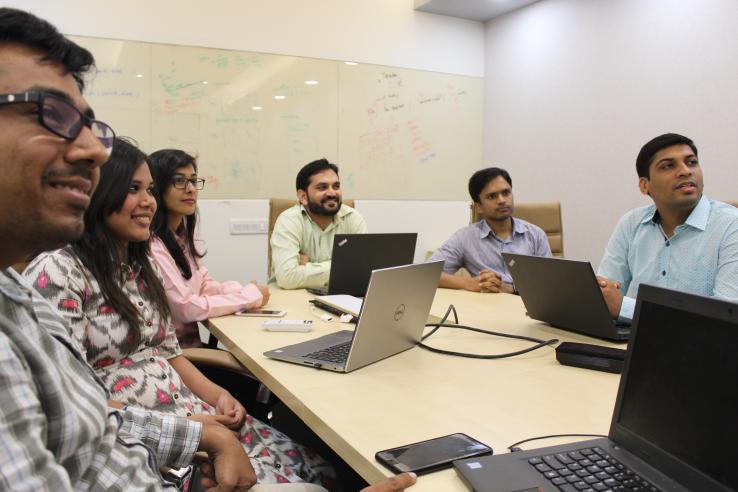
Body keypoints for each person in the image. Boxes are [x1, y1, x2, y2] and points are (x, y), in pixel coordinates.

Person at [0, 7, 255, 490]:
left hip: (175, 429)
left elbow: (92, 426)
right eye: (50, 114)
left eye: (151, 190)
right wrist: (197, 433)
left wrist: (209, 415)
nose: (94, 151)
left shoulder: (18, 293)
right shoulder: (55, 275)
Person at [25, 137, 343, 489]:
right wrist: (191, 427)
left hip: (190, 410)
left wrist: (219, 396)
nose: (148, 201)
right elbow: (73, 398)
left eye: (149, 189)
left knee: (323, 469)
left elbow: (168, 353)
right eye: (134, 189)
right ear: (98, 194)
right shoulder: (59, 273)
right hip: (143, 434)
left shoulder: (140, 265)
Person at [597, 133, 738, 323]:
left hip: (706, 349)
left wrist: (625, 307)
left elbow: (725, 316)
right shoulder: (631, 223)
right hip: (635, 344)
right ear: (645, 185)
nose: (685, 171)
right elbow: (606, 295)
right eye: (669, 166)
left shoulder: (731, 225)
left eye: (692, 162)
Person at [148, 148, 269, 349]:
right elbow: (185, 307)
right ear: (158, 187)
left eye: (194, 181)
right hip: (174, 357)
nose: (191, 189)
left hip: (191, 348)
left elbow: (203, 283)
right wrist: (247, 297)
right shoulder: (153, 244)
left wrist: (240, 290)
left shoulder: (182, 233)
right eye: (179, 181)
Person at [429, 167, 551, 293]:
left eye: (506, 193)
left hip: (528, 308)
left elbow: (550, 282)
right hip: (487, 309)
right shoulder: (465, 237)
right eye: (492, 196)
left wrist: (510, 288)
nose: (502, 200)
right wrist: (468, 283)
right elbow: (428, 274)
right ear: (479, 207)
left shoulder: (536, 235)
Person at [270, 158, 367, 289]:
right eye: (322, 187)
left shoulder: (352, 218)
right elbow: (287, 278)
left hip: (338, 297)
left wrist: (307, 266)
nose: (332, 192)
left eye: (336, 186)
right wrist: (345, 266)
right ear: (303, 197)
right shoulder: (289, 220)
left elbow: (364, 269)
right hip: (291, 299)